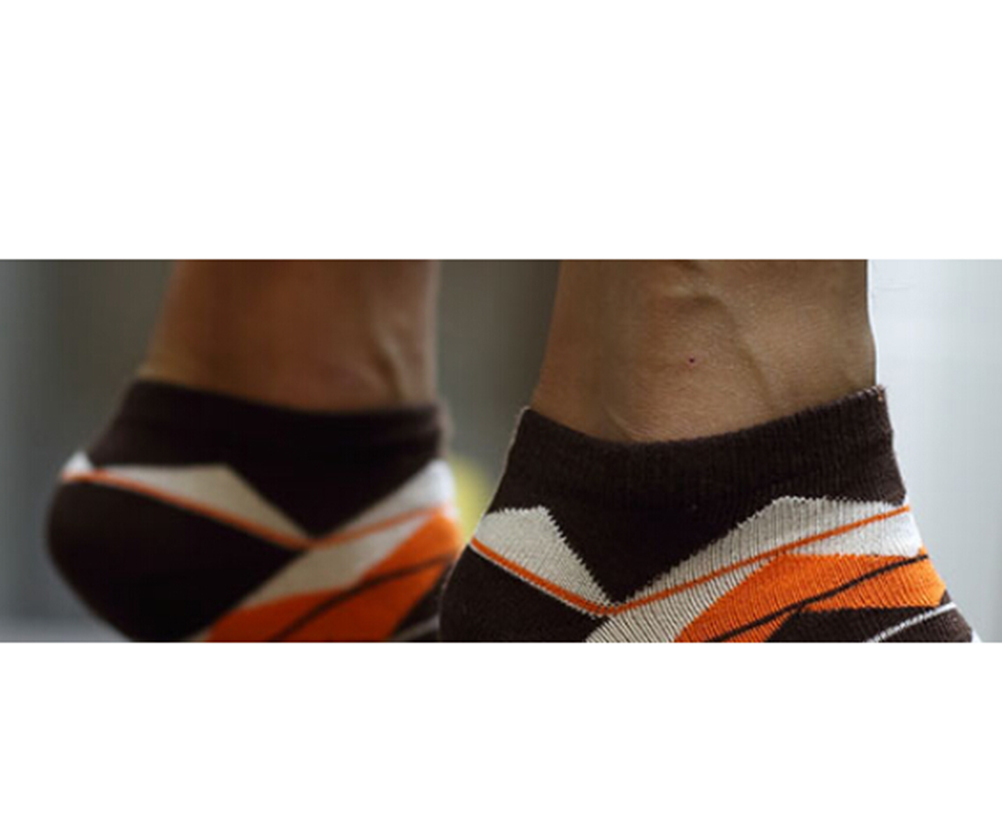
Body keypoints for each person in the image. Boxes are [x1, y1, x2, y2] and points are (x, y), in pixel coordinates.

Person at [47, 261, 974, 643]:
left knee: (292, 378)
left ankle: (280, 422)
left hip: (297, 466)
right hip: (669, 520)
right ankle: (710, 504)